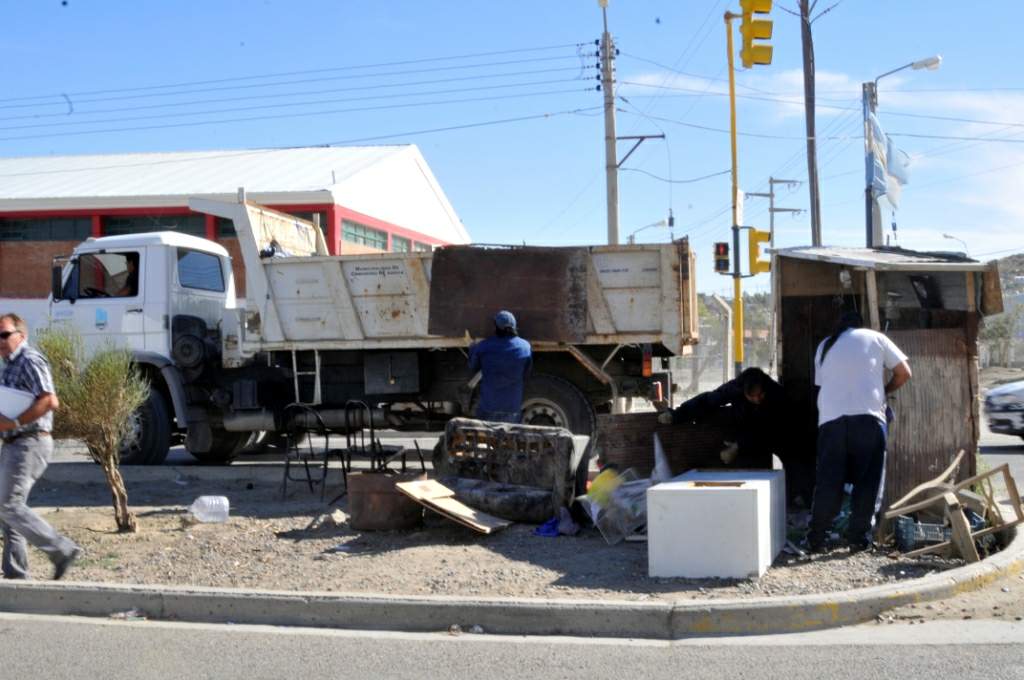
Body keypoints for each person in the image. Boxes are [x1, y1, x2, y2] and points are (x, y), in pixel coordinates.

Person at [806, 311, 912, 553]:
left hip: (831, 422)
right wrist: (883, 391)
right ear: (860, 325)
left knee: (828, 482)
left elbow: (823, 385)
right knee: (868, 482)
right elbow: (904, 372)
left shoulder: (825, 345)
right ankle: (858, 539)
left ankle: (816, 538)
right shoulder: (876, 337)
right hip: (868, 420)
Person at [0, 313, 82, 579]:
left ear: (20, 335)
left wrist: (13, 422)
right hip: (15, 442)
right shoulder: (9, 365)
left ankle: (62, 550)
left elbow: (50, 400)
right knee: (7, 509)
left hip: (30, 442)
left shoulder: (29, 360)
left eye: (4, 335)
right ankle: (15, 574)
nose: (0, 341)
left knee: (9, 506)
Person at [658, 367, 817, 504]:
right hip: (749, 432)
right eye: (752, 396)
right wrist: (678, 415)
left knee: (800, 471)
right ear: (743, 391)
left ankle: (807, 502)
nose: (757, 400)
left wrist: (738, 446)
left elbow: (767, 431)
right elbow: (708, 400)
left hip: (785, 434)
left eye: (760, 395)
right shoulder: (734, 389)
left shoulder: (776, 395)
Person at [468, 310, 532, 423]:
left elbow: (472, 366)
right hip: (512, 410)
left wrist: (472, 348)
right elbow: (527, 373)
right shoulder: (525, 347)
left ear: (496, 327)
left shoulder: (483, 346)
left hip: (487, 409)